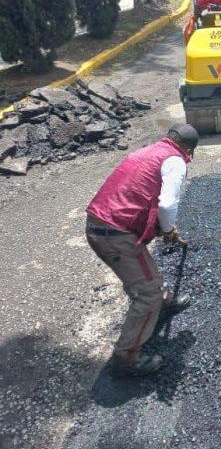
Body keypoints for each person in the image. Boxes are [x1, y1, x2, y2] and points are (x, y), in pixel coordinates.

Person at [85, 123, 199, 376]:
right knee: (147, 291)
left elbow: (141, 195)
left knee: (144, 272)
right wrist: (168, 230)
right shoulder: (175, 160)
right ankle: (126, 358)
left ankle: (164, 304)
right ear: (188, 150)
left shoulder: (147, 152)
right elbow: (167, 204)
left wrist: (160, 228)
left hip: (101, 224)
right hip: (113, 233)